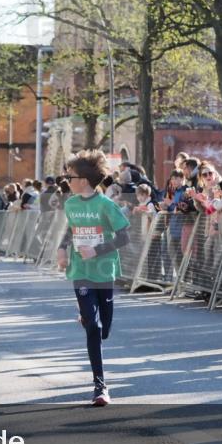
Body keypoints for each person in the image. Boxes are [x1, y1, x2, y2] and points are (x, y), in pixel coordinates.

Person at [56, 150, 131, 407]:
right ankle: (100, 386)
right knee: (94, 327)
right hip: (81, 272)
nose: (67, 180)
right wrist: (63, 248)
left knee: (105, 329)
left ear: (84, 180)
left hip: (104, 271)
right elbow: (71, 229)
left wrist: (97, 250)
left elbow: (124, 237)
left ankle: (89, 315)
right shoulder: (70, 204)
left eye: (70, 176)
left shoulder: (106, 206)